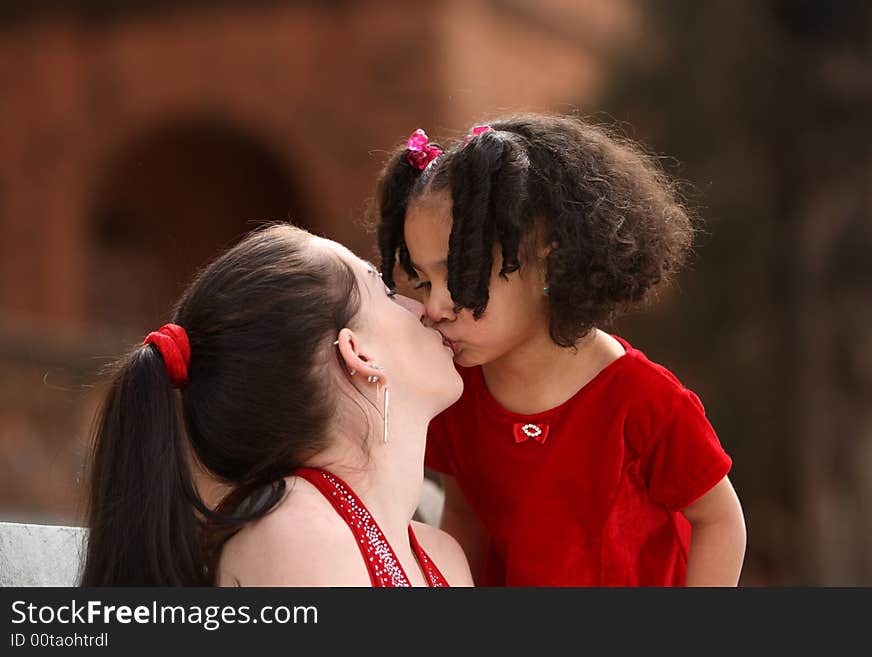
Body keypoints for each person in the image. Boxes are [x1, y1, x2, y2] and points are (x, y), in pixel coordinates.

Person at [374, 114, 747, 586]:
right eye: (425, 281)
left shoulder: (645, 399)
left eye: (461, 272)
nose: (437, 305)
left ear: (548, 252)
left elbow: (719, 519)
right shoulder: (456, 391)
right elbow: (466, 517)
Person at [80, 224, 472, 586]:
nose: (422, 307)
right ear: (358, 352)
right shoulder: (298, 535)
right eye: (385, 291)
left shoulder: (445, 557)